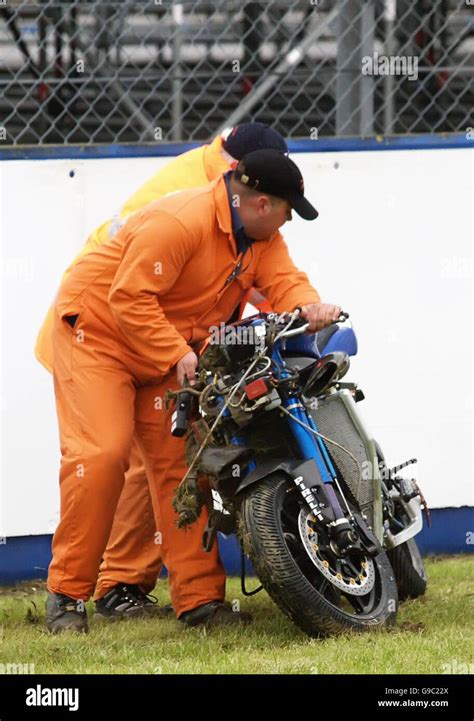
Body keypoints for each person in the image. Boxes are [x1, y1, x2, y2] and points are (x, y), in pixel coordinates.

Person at [45, 149, 341, 633]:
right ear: (261, 204)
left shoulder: (261, 238)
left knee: (183, 470)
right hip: (96, 337)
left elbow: (286, 282)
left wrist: (310, 307)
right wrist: (175, 354)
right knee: (101, 455)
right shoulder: (180, 221)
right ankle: (67, 594)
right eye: (288, 211)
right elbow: (128, 298)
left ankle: (200, 601)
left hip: (165, 347)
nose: (289, 221)